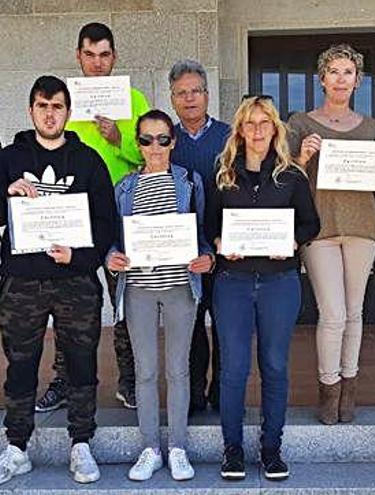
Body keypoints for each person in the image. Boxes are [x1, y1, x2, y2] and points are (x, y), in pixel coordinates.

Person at [0, 76, 115, 486]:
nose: (50, 113)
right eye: (42, 105)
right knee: (21, 365)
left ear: (68, 112)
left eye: (57, 106)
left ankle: (81, 444)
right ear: (31, 110)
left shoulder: (89, 160)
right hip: (22, 282)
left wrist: (81, 256)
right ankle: (17, 447)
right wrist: (7, 194)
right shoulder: (8, 158)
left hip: (76, 280)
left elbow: (106, 224)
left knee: (80, 362)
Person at [37, 22, 149, 413]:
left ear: (114, 57)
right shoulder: (65, 102)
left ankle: (130, 382)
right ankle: (64, 380)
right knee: (68, 302)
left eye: (104, 55)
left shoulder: (133, 100)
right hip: (74, 216)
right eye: (90, 55)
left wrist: (119, 139)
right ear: (78, 57)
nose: (98, 63)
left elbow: (149, 156)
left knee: (125, 301)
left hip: (120, 214)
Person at [208, 96, 320, 481]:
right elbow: (209, 225)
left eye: (265, 123)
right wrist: (220, 244)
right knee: (234, 369)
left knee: (274, 366)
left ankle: (272, 449)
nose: (257, 131)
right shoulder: (224, 173)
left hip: (279, 282)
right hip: (232, 283)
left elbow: (311, 225)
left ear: (276, 129)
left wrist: (291, 242)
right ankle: (233, 449)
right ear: (239, 129)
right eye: (250, 123)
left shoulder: (292, 175)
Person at [106, 109, 214, 481]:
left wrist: (208, 258)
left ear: (173, 141)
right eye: (148, 139)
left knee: (179, 370)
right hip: (138, 288)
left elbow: (201, 233)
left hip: (180, 287)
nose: (155, 146)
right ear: (138, 144)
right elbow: (114, 239)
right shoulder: (124, 186)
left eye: (163, 139)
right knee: (147, 372)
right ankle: (151, 448)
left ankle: (179, 447)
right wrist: (111, 258)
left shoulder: (189, 182)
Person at [287, 43, 375, 425]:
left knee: (355, 312)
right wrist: (302, 158)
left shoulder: (371, 126)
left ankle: (349, 391)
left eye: (348, 72)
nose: (341, 79)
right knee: (333, 313)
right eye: (334, 71)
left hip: (363, 225)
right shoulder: (300, 123)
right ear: (321, 79)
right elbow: (286, 177)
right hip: (320, 226)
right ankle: (328, 389)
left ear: (357, 81)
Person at [167, 59, 232, 413]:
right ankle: (192, 394)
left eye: (196, 91)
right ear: (172, 98)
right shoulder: (167, 140)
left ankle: (221, 392)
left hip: (225, 246)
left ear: (207, 95)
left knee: (223, 324)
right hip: (183, 250)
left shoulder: (229, 136)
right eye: (181, 93)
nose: (189, 98)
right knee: (190, 327)